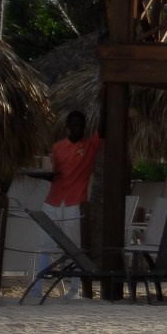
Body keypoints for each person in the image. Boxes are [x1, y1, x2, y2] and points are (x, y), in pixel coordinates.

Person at [36, 111, 101, 297]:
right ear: (67, 127)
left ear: (84, 127)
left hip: (75, 202)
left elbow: (102, 130)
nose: (76, 129)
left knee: (75, 247)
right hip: (52, 201)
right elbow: (52, 173)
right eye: (73, 125)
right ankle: (37, 288)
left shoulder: (90, 145)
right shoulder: (58, 147)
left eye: (79, 125)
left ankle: (74, 290)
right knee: (44, 246)